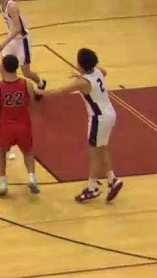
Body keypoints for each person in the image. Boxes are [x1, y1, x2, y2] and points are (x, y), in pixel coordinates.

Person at [47, 48, 122, 204]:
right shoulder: (98, 71)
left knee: (94, 153)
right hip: (110, 114)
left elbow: (61, 91)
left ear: (80, 64)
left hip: (98, 118)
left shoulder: (82, 82)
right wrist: (82, 76)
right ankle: (112, 179)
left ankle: (92, 187)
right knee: (102, 148)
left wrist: (40, 92)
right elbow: (103, 72)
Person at [0, 54, 41, 197]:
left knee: (0, 151)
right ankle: (32, 177)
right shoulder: (27, 84)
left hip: (6, 126)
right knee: (28, 151)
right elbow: (32, 105)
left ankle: (2, 182)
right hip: (23, 125)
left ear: (3, 68)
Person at [0, 0, 46, 89]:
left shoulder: (12, 7)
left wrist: (3, 43)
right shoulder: (1, 6)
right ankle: (9, 89)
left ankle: (41, 83)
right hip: (12, 38)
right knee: (3, 68)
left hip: (22, 40)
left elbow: (18, 28)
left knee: (26, 72)